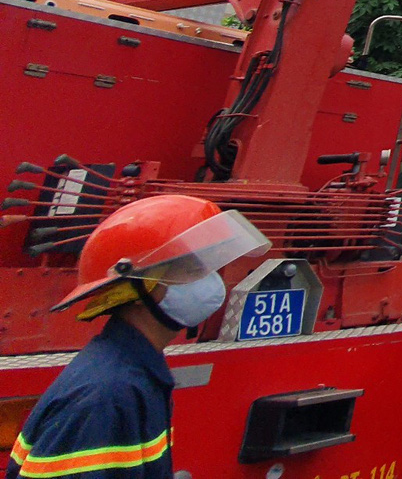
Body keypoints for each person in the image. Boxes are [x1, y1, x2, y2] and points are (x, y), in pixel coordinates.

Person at [10, 194, 269, 479]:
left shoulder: (133, 373)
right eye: (191, 270)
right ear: (135, 289)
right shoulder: (108, 396)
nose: (211, 282)